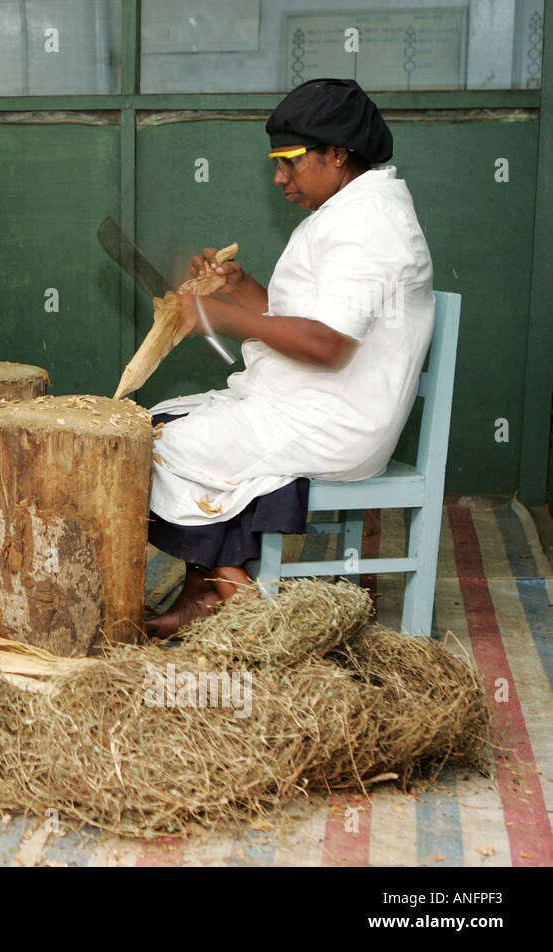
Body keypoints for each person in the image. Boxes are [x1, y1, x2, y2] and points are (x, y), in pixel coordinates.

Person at [144, 78, 434, 637]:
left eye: (290, 162)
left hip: (336, 416)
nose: (279, 177)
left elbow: (325, 344)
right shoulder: (345, 211)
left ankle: (239, 596)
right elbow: (295, 318)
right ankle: (205, 595)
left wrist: (223, 319)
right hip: (308, 397)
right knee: (161, 421)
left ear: (338, 154)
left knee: (150, 447)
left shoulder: (369, 224)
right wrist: (237, 286)